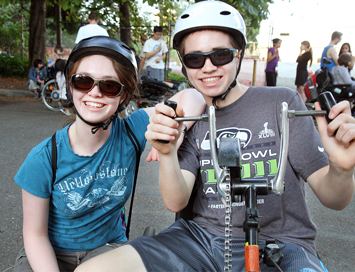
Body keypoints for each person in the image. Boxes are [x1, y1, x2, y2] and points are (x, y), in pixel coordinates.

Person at [75, 2, 355, 272]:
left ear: (240, 54)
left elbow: (334, 199)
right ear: (184, 65)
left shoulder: (281, 103)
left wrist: (341, 170)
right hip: (200, 240)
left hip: (283, 244)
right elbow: (176, 201)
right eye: (194, 59)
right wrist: (167, 153)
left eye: (220, 55)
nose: (207, 67)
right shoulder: (191, 114)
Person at [13, 36, 205, 272]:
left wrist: (178, 130)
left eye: (109, 86)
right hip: (50, 251)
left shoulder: (132, 130)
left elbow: (193, 96)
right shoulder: (43, 158)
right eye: (83, 81)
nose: (94, 93)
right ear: (71, 87)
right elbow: (35, 235)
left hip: (106, 247)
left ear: (123, 96)